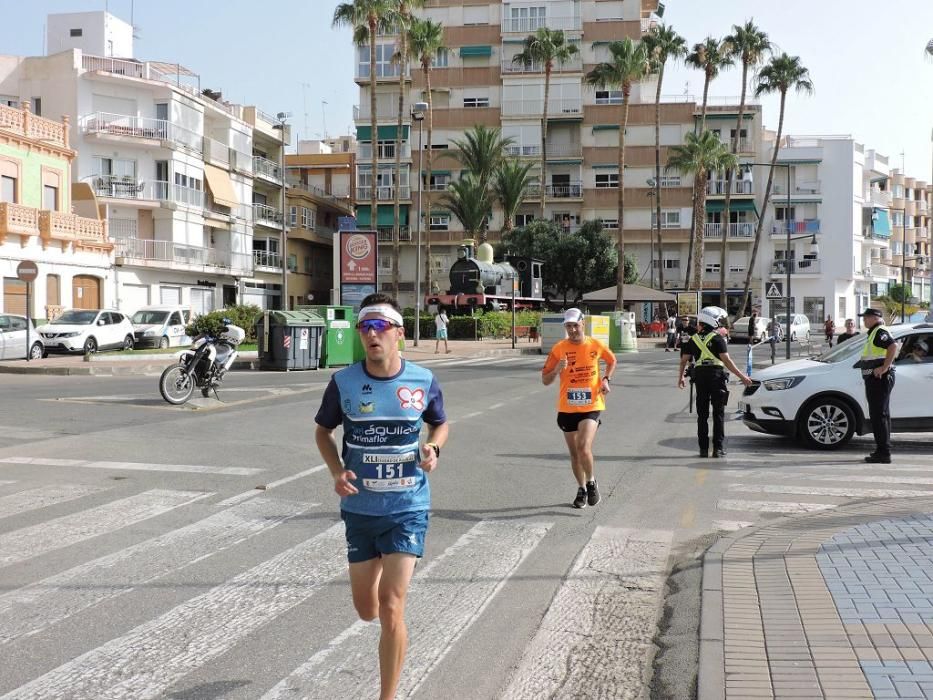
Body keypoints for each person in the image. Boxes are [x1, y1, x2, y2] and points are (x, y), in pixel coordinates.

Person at [314, 293, 449, 700]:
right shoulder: (344, 383)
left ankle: (387, 696)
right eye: (365, 328)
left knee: (392, 604)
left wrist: (434, 448)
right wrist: (337, 473)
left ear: (398, 334)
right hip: (360, 508)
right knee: (366, 609)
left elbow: (440, 424)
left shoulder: (423, 381)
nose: (372, 335)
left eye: (381, 327)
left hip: (408, 507)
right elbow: (323, 432)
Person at [541, 308, 617, 508]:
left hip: (591, 404)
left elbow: (612, 360)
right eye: (568, 326)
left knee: (584, 446)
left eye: (575, 325)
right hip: (567, 407)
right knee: (575, 454)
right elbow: (545, 380)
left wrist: (606, 379)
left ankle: (591, 482)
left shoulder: (595, 344)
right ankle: (581, 488)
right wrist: (557, 369)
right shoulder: (559, 348)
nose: (572, 330)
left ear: (583, 324)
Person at [678, 307, 753, 458]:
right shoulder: (718, 339)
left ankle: (703, 449)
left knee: (702, 415)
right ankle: (718, 449)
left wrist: (680, 377)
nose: (719, 323)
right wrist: (742, 376)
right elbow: (727, 361)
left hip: (700, 377)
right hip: (716, 377)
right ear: (712, 321)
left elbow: (683, 361)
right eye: (718, 320)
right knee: (718, 414)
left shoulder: (692, 340)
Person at [856, 308, 898, 464]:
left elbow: (892, 346)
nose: (864, 321)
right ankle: (882, 450)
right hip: (877, 379)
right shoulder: (875, 332)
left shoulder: (880, 331)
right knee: (881, 415)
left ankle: (883, 452)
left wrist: (884, 367)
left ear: (874, 318)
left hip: (880, 379)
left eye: (865, 318)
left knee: (879, 415)